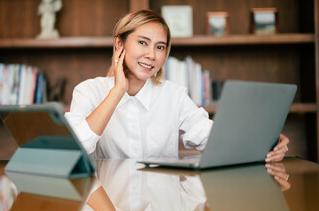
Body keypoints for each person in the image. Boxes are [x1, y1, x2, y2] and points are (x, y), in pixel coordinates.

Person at [64, 9, 289, 162]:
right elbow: (76, 149)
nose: (152, 55)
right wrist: (117, 92)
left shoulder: (174, 95)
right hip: (105, 202)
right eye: (143, 42)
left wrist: (267, 143)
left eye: (160, 47)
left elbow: (211, 137)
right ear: (119, 44)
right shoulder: (88, 91)